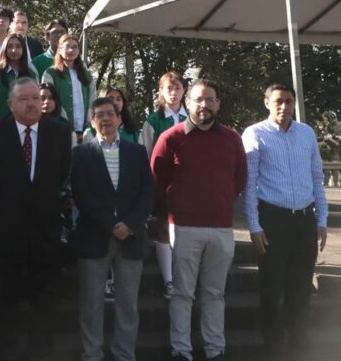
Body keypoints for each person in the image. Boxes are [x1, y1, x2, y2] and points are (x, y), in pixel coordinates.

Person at [0, 78, 73, 360]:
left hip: (44, 232)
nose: (32, 103)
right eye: (24, 99)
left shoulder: (59, 131)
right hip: (4, 232)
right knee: (4, 299)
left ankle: (40, 352)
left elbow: (61, 173)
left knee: (44, 299)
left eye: (36, 98)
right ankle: (5, 352)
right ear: (10, 103)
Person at [152, 79, 247, 361]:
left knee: (215, 294)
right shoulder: (170, 137)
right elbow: (157, 180)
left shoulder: (232, 138)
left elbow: (239, 179)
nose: (204, 105)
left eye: (210, 99)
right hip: (182, 227)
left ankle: (215, 350)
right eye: (198, 99)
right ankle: (181, 350)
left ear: (218, 103)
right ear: (187, 103)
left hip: (220, 229)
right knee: (182, 294)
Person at [243, 84, 329, 358]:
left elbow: (317, 178)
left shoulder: (306, 133)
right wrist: (254, 225)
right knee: (271, 291)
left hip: (304, 220)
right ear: (267, 102)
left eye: (289, 101)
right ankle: (273, 349)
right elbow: (249, 183)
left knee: (300, 289)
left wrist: (322, 219)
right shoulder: (255, 134)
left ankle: (299, 349)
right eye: (278, 101)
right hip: (273, 220)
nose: (284, 107)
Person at [72, 98, 154, 361]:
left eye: (110, 114)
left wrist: (129, 224)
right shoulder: (81, 154)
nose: (105, 119)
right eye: (99, 115)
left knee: (128, 304)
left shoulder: (137, 152)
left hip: (131, 236)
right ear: (92, 121)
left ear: (119, 119)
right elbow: (82, 195)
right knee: (91, 304)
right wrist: (110, 224)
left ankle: (124, 354)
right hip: (94, 236)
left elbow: (147, 193)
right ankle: (92, 354)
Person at [141, 71, 187, 297]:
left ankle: (184, 279)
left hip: (189, 184)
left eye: (177, 88)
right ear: (161, 91)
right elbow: (146, 153)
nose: (174, 92)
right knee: (163, 230)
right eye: (169, 88)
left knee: (187, 232)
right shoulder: (153, 120)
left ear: (184, 91)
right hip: (163, 183)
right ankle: (169, 280)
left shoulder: (192, 117)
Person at [39, 34, 94, 138]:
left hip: (85, 131)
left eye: (74, 47)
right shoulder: (50, 73)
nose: (71, 50)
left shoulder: (87, 75)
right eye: (67, 47)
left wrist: (89, 125)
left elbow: (92, 101)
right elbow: (49, 100)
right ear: (59, 50)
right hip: (60, 129)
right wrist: (65, 124)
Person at [0, 33, 36, 119]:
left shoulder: (31, 73)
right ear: (4, 49)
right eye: (10, 47)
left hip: (26, 122)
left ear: (23, 49)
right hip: (1, 122)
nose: (14, 50)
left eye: (18, 46)